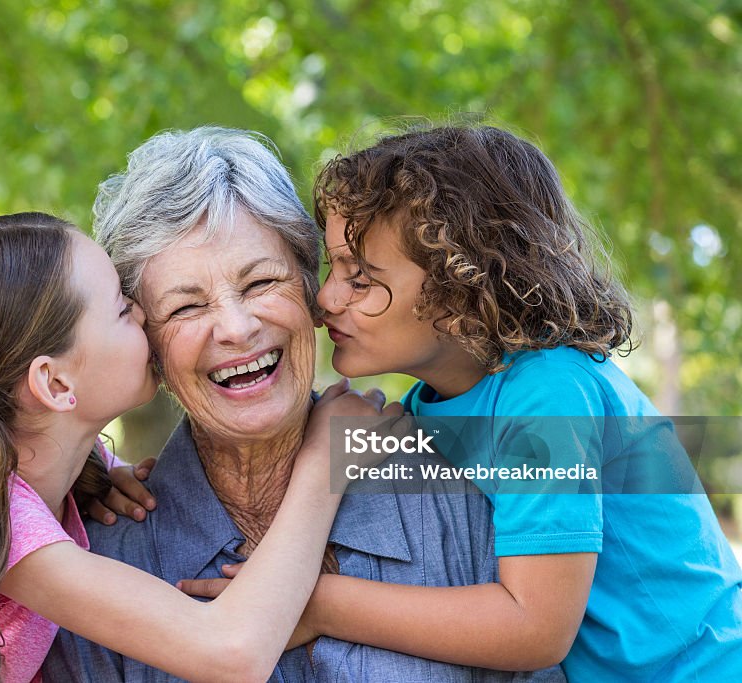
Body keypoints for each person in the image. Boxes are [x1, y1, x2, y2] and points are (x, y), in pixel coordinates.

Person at [44, 127, 563, 681]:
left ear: (311, 288)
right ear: (146, 345)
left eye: (262, 282)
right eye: (186, 308)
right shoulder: (97, 561)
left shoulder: (468, 482)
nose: (238, 329)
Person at [0, 212, 397, 682]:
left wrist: (98, 470)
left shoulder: (22, 477)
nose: (143, 313)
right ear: (55, 384)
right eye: (120, 308)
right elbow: (232, 653)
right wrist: (327, 459)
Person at [296, 124, 742, 680]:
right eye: (331, 268)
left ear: (463, 292)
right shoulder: (430, 403)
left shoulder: (548, 391)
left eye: (360, 278)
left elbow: (534, 628)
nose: (324, 298)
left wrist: (318, 604)